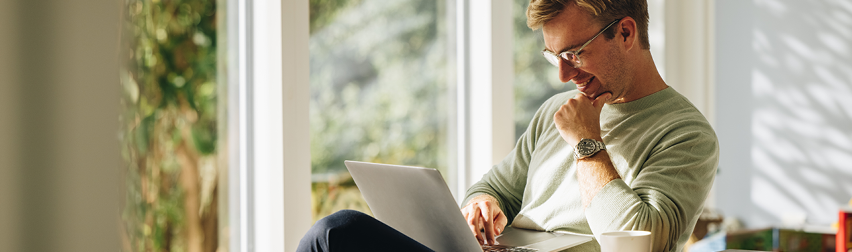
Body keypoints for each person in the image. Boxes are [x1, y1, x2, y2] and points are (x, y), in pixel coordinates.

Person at [298, 0, 718, 251]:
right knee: (334, 237)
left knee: (339, 232)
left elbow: (636, 242)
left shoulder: (686, 135)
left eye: (574, 53)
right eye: (554, 57)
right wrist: (481, 204)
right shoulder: (557, 110)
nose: (563, 76)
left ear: (625, 33)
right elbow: (495, 187)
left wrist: (587, 143)